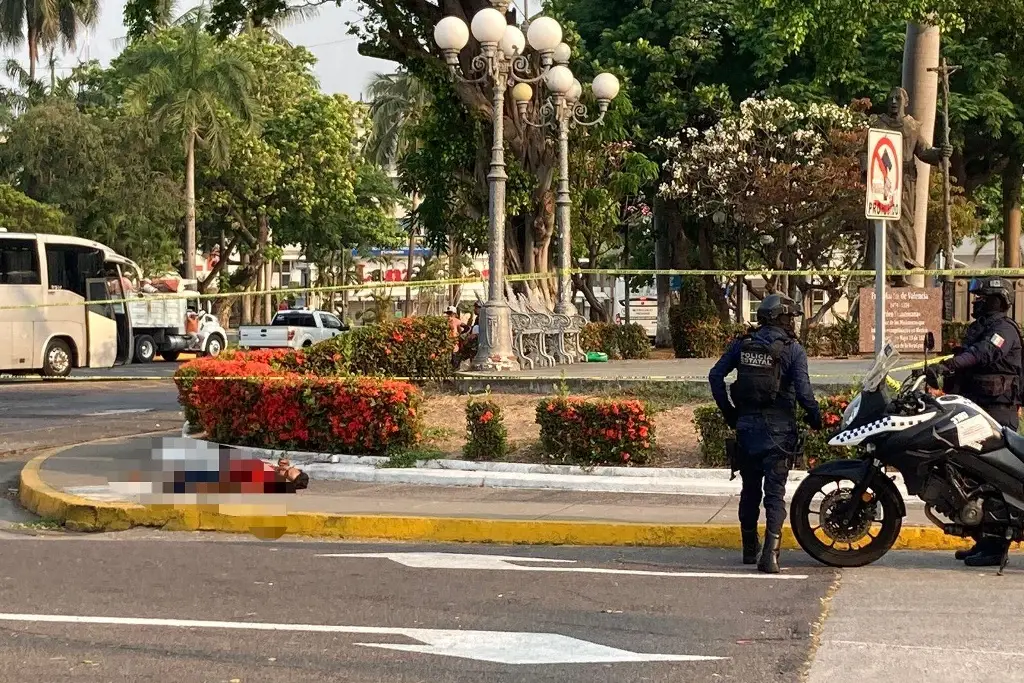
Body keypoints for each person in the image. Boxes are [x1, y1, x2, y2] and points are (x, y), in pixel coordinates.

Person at [709, 294, 823, 574]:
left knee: (750, 490)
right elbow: (805, 394)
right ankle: (770, 556)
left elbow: (715, 376)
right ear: (781, 318)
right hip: (779, 431)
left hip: (747, 429)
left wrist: (730, 413)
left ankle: (749, 550)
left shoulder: (742, 343)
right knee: (774, 495)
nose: (793, 323)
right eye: (790, 317)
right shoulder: (793, 349)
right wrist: (816, 418)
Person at [927, 276, 1023, 567]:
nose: (976, 301)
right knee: (974, 480)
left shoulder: (1004, 330)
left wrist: (950, 364)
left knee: (996, 481)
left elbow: (984, 354)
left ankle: (996, 549)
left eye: (982, 297)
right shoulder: (980, 327)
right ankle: (984, 542)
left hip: (999, 410)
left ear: (997, 300)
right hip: (977, 407)